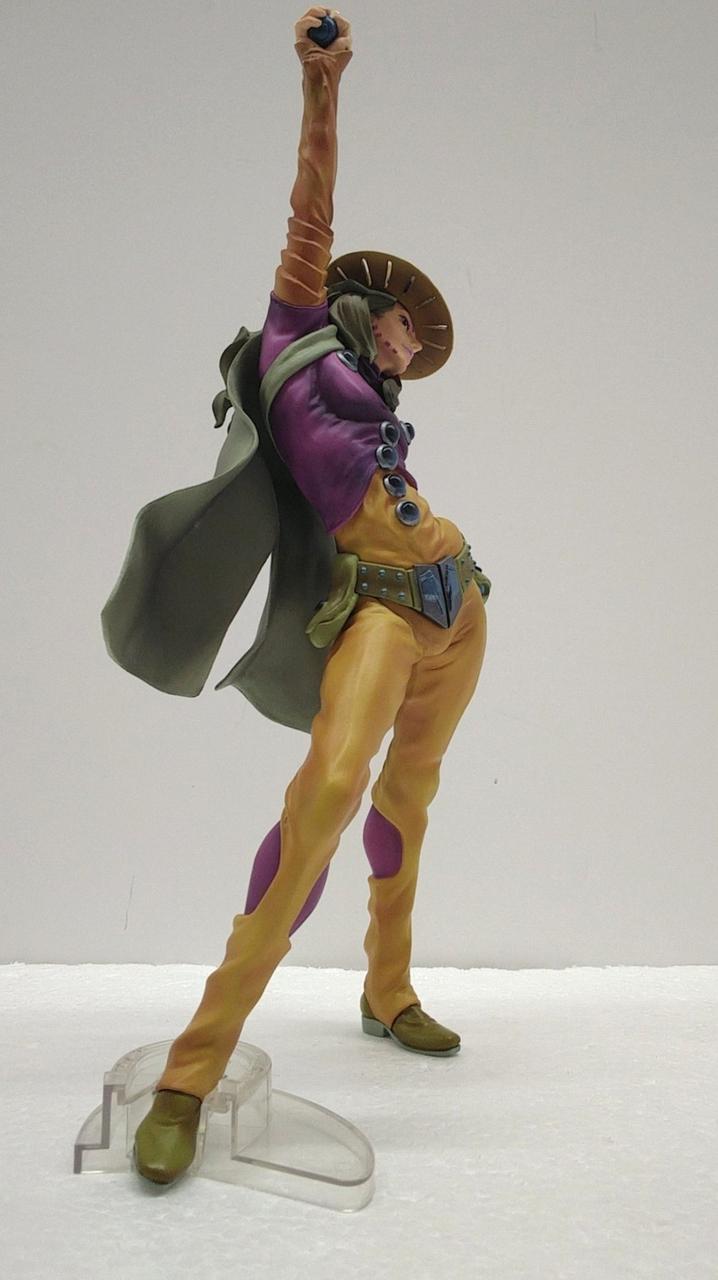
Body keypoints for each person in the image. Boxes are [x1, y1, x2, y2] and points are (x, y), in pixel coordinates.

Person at [114, 7, 489, 1186]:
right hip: (378, 609)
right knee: (325, 796)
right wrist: (322, 86)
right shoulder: (295, 336)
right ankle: (190, 1071)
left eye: (418, 346)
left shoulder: (378, 407)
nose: (411, 349)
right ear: (357, 304)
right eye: (406, 329)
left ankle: (388, 987)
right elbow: (309, 210)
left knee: (409, 798)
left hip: (459, 604)